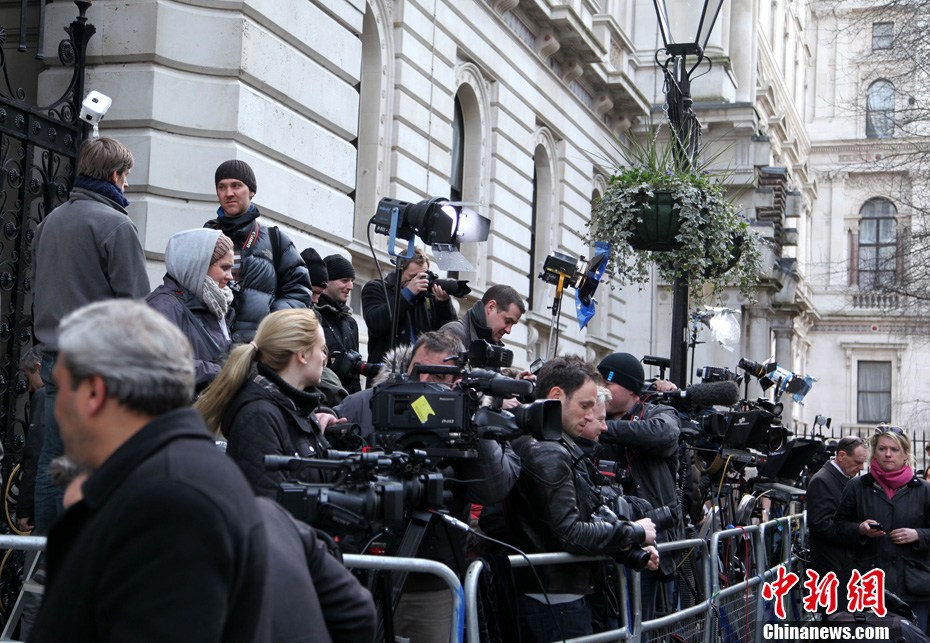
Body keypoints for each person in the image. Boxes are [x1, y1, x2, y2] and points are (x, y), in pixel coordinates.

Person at [28, 300, 267, 643]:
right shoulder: (164, 480)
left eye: (60, 389)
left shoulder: (170, 501)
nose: (56, 408)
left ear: (93, 393)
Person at [337, 330, 521, 642]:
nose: (423, 382)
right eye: (418, 370)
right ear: (405, 366)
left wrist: (470, 417)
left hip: (431, 583)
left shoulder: (466, 415)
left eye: (437, 376)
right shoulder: (363, 405)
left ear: (457, 379)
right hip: (361, 571)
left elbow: (492, 489)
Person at [32, 136, 151, 536]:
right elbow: (136, 308)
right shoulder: (116, 224)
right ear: (115, 175)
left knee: (54, 459)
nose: (128, 184)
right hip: (98, 363)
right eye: (127, 176)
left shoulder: (50, 222)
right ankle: (80, 556)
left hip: (54, 358)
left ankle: (47, 556)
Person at [503, 356, 657, 642]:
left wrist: (628, 546)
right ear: (556, 397)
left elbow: (584, 515)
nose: (590, 416)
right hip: (554, 599)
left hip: (554, 593)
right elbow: (570, 532)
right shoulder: (548, 451)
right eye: (584, 406)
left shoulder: (550, 445)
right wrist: (634, 532)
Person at [195, 308, 335, 499]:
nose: (324, 358)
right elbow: (270, 503)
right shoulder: (259, 416)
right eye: (322, 349)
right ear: (302, 355)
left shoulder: (295, 407)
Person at [595, 352, 683, 622]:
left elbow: (664, 434)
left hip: (649, 544)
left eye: (608, 385)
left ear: (632, 390)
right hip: (607, 539)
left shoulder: (659, 413)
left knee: (640, 625)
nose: (601, 392)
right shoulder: (593, 416)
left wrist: (603, 428)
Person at [835, 425, 930, 632]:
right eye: (882, 448)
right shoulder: (857, 486)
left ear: (906, 454)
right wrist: (860, 529)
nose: (888, 454)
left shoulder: (924, 490)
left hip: (914, 586)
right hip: (870, 583)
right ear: (874, 453)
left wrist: (917, 535)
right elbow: (839, 527)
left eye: (894, 449)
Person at [204, 159, 312, 342]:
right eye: (222, 187)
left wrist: (270, 323)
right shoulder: (204, 237)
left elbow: (300, 293)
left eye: (236, 185)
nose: (228, 193)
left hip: (255, 349)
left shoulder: (276, 240)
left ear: (252, 191)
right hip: (210, 346)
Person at [146, 229, 234, 391]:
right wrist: (220, 372)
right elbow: (160, 366)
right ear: (198, 266)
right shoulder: (164, 305)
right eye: (225, 268)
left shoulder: (213, 301)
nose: (230, 276)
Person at [361, 247, 456, 364]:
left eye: (423, 276)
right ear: (399, 272)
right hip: (387, 368)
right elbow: (376, 324)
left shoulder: (426, 296)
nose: (419, 281)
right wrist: (407, 293)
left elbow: (447, 335)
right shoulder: (377, 288)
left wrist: (443, 304)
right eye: (413, 277)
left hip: (420, 368)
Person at [806, 436, 868, 609]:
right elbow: (821, 524)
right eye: (858, 462)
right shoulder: (822, 480)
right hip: (833, 566)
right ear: (841, 456)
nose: (862, 467)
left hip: (842, 564)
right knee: (836, 617)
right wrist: (858, 529)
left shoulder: (839, 478)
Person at [316, 254, 362, 393]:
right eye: (344, 280)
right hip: (323, 396)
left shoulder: (351, 323)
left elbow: (354, 376)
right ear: (326, 282)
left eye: (352, 281)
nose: (350, 286)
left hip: (348, 398)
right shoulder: (314, 317)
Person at [441, 284, 525, 350]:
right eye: (507, 321)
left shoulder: (492, 345)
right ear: (491, 307)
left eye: (512, 324)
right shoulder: (453, 334)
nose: (508, 330)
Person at [17, 347, 45, 534]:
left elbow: (35, 454)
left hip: (46, 495)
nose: (29, 387)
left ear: (38, 367)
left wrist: (24, 508)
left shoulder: (43, 396)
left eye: (28, 378)